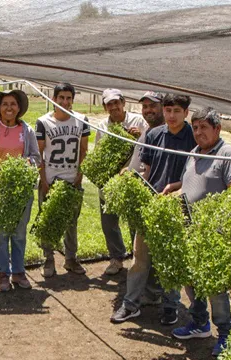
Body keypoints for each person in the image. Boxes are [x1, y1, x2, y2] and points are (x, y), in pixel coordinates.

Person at [167, 107, 231, 356]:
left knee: (215, 287)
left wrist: (215, 225)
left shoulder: (228, 154)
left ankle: (225, 333)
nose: (198, 132)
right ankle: (199, 324)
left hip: (213, 234)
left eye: (204, 127)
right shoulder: (193, 154)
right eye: (196, 127)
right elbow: (188, 185)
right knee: (191, 281)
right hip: (189, 230)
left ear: (217, 129)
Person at [110, 92, 193, 325]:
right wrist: (134, 182)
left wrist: (177, 186)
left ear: (186, 113)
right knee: (140, 258)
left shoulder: (192, 138)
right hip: (151, 204)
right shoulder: (154, 134)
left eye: (177, 111)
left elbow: (195, 174)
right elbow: (146, 170)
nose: (172, 115)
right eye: (168, 111)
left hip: (177, 206)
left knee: (169, 259)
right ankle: (131, 305)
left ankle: (170, 305)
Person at [0, 90, 41, 292]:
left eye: (13, 104)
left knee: (19, 233)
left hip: (21, 191)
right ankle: (3, 274)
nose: (9, 107)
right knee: (1, 234)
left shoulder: (27, 130)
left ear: (19, 107)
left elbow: (36, 157)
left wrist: (28, 163)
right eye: (5, 104)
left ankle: (18, 272)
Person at [35, 83, 90, 278]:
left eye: (69, 98)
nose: (65, 102)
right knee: (47, 220)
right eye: (61, 98)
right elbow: (38, 153)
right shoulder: (43, 122)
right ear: (54, 99)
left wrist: (79, 176)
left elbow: (84, 151)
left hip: (72, 178)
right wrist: (43, 181)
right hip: (51, 178)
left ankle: (71, 258)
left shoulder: (81, 120)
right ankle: (48, 259)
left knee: (71, 222)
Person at [95, 88, 148, 275]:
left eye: (116, 102)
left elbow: (149, 147)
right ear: (105, 107)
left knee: (135, 222)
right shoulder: (102, 126)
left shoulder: (138, 121)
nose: (114, 107)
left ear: (123, 103)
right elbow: (99, 155)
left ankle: (137, 260)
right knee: (109, 222)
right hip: (110, 182)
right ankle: (116, 258)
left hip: (133, 180)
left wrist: (139, 135)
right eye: (109, 104)